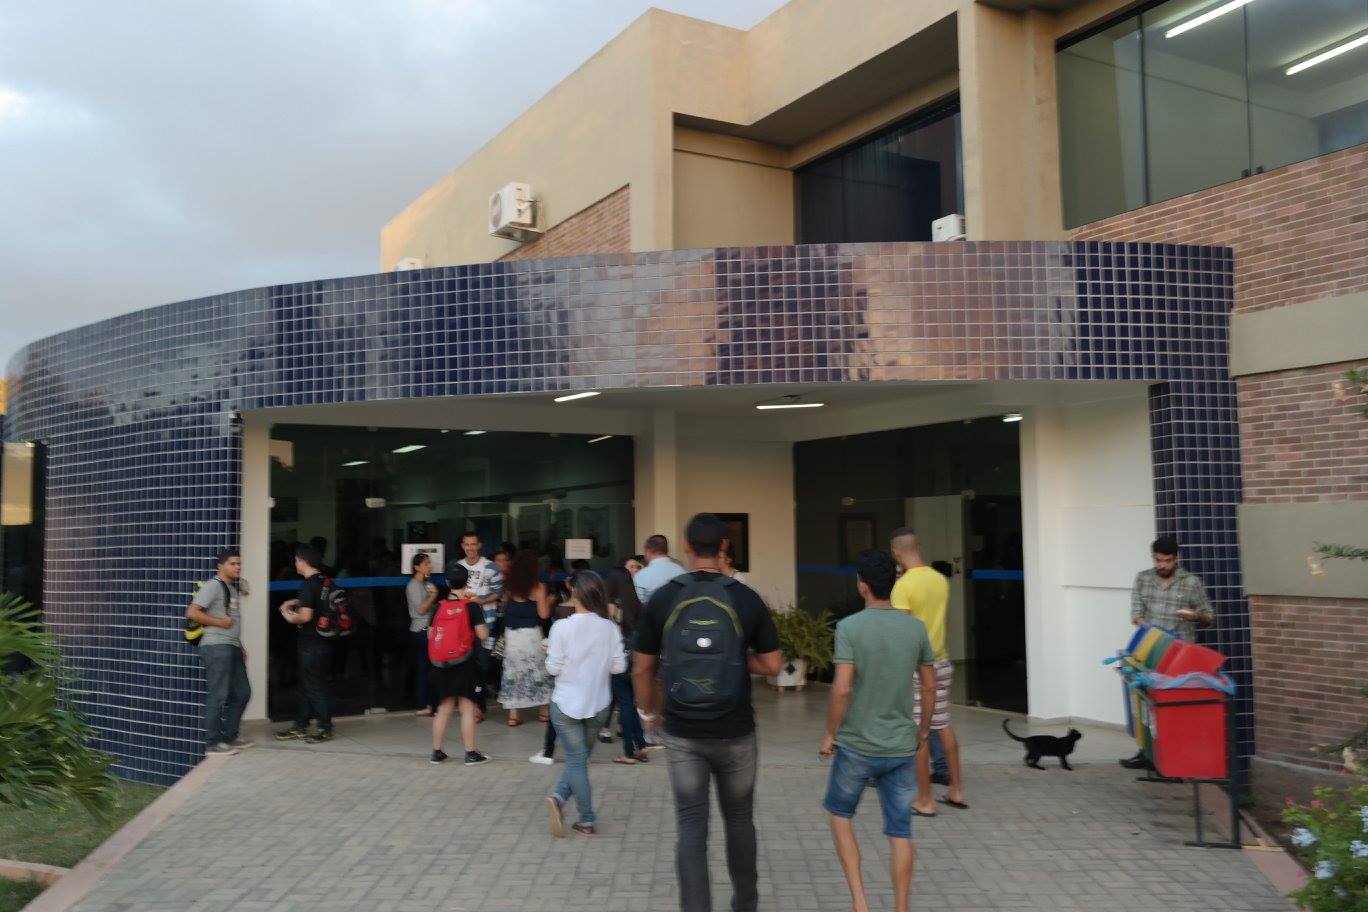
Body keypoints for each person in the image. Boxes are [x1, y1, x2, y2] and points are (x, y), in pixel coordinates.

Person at [633, 513, 784, 912]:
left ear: (686, 547)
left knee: (691, 826)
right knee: (740, 820)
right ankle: (745, 904)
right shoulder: (745, 598)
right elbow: (773, 665)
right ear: (723, 548)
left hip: (683, 732)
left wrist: (649, 714)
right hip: (736, 731)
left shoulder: (663, 598)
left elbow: (642, 669)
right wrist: (736, 656)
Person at [820, 550, 936, 912]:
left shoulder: (849, 627)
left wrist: (830, 734)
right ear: (894, 583)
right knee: (900, 831)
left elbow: (842, 688)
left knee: (841, 816)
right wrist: (923, 731)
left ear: (862, 585)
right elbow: (929, 686)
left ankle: (860, 902)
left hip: (856, 745)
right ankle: (901, 908)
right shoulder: (915, 628)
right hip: (901, 745)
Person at [1120, 535, 1216, 770]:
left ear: (1176, 559)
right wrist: (1144, 625)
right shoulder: (1143, 578)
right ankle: (1147, 753)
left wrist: (1195, 617)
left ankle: (1176, 759)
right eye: (1158, 560)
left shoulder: (1191, 582)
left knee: (1174, 706)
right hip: (1151, 649)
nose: (1162, 565)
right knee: (1146, 702)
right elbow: (1136, 612)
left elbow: (1208, 617)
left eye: (1168, 561)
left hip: (1180, 655)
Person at [889, 527, 967, 812]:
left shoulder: (903, 587)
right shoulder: (939, 579)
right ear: (918, 547)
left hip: (917, 668)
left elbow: (902, 632)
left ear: (896, 553)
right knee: (942, 725)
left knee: (919, 732)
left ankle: (925, 800)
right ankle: (956, 790)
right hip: (941, 661)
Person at [544, 571, 627, 837]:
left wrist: (550, 654)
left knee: (577, 761)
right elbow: (619, 666)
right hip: (598, 704)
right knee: (579, 760)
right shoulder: (610, 628)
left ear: (574, 592)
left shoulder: (561, 627)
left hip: (565, 703)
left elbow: (553, 669)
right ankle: (559, 798)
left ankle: (586, 818)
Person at [187, 548, 253, 755]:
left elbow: (232, 621)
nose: (238, 567)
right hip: (216, 647)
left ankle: (229, 737)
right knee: (218, 695)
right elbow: (192, 612)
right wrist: (219, 623)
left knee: (242, 693)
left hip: (231, 646)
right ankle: (212, 744)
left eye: (239, 564)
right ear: (220, 566)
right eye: (233, 564)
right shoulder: (213, 586)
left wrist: (239, 645)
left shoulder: (231, 588)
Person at [427, 566, 491, 765]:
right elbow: (483, 635)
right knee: (467, 708)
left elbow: (430, 635)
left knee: (443, 708)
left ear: (447, 583)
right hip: (464, 663)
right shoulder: (471, 606)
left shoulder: (438, 607)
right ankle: (471, 753)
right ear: (467, 581)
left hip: (440, 664)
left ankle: (437, 752)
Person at [274, 544, 335, 744]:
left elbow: (305, 616)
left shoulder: (309, 584)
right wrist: (295, 602)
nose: (295, 563)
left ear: (303, 561)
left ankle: (325, 727)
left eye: (296, 560)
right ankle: (301, 725)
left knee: (314, 687)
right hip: (325, 641)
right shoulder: (325, 581)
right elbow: (318, 604)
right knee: (310, 685)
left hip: (311, 643)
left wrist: (287, 614)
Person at [500, 549, 553, 726]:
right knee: (538, 670)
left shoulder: (509, 586)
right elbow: (544, 614)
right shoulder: (538, 587)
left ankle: (513, 715)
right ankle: (544, 711)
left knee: (513, 671)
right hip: (532, 634)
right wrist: (549, 602)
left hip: (512, 635)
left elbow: (505, 608)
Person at [603, 566, 649, 764]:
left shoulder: (611, 607)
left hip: (618, 661)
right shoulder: (638, 605)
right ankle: (641, 747)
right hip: (637, 660)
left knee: (626, 705)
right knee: (631, 703)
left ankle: (629, 752)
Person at [406, 552, 439, 716]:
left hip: (426, 629)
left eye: (429, 563)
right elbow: (421, 609)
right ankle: (423, 704)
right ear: (417, 567)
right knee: (425, 669)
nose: (430, 566)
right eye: (426, 563)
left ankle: (424, 704)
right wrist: (434, 595)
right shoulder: (413, 585)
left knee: (424, 668)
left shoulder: (425, 583)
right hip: (421, 630)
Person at [633, 534, 687, 604]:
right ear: (667, 551)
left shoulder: (641, 576)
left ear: (648, 551)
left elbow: (639, 605)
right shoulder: (682, 571)